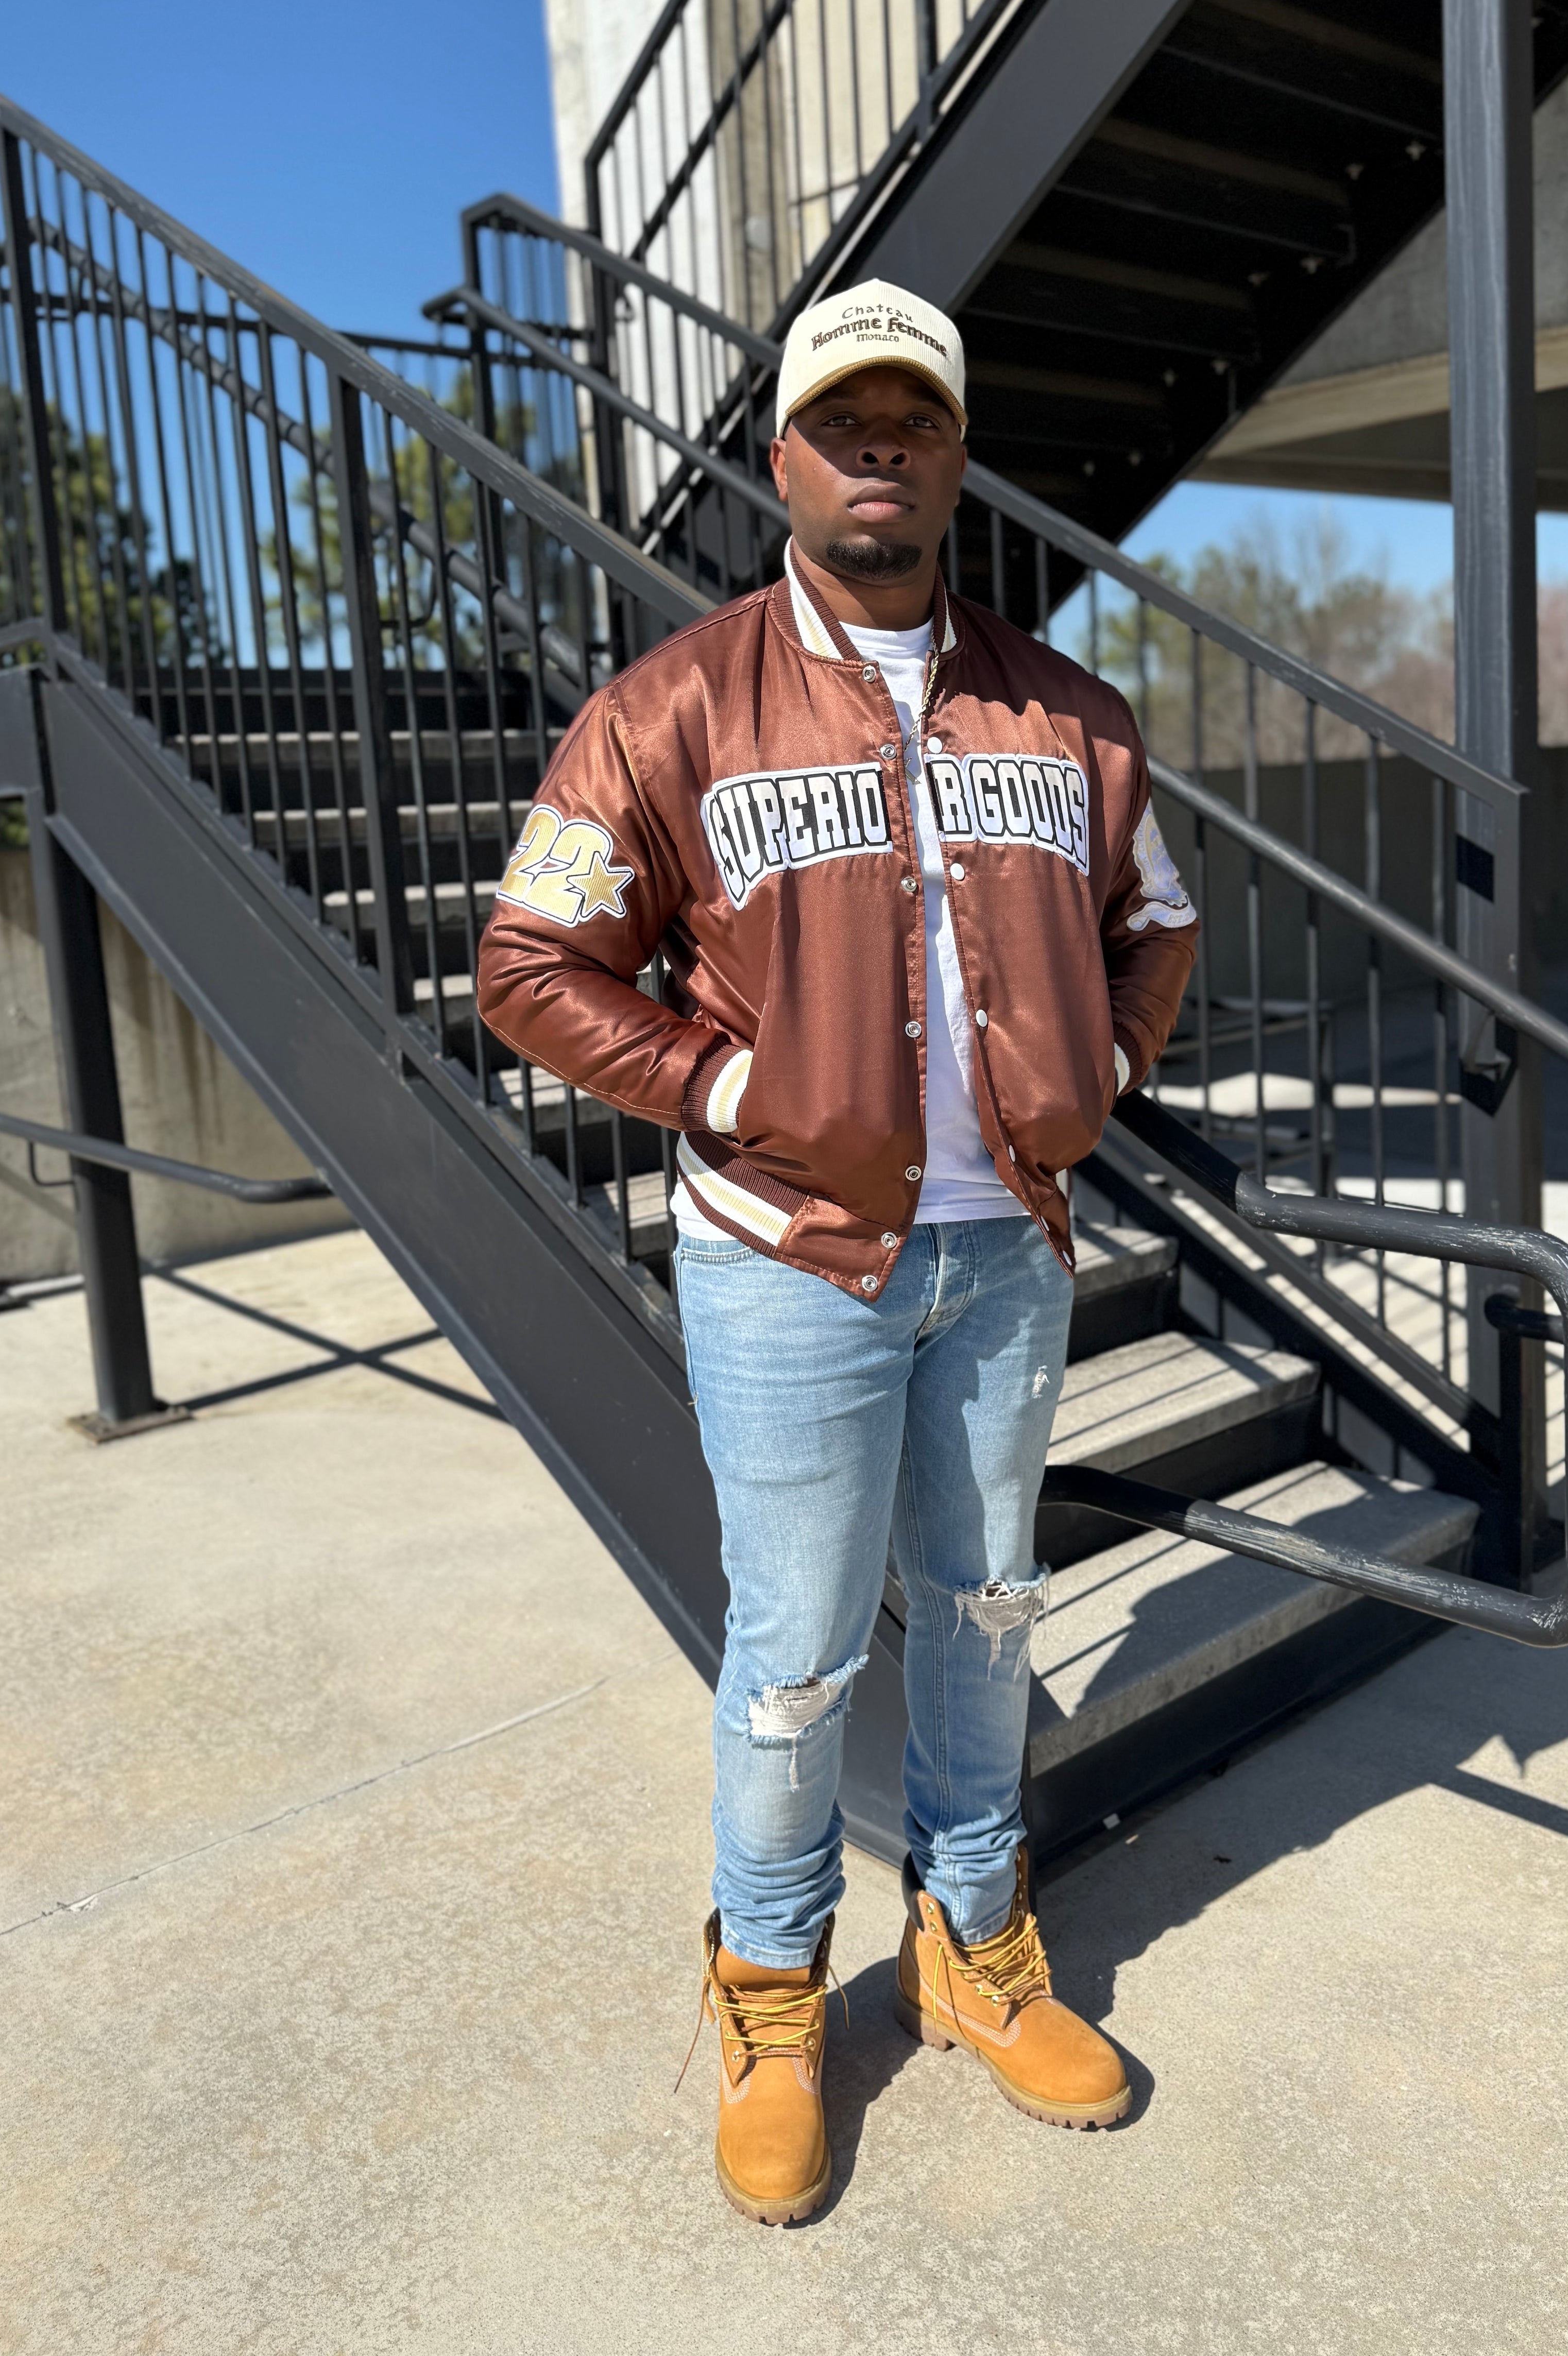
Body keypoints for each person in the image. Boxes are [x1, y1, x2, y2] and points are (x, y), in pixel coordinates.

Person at [476, 279, 1200, 2223]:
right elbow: (531, 966)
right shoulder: (671, 707)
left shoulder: (1073, 713)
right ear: (782, 457)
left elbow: (1163, 919)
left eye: (916, 421)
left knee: (984, 1616)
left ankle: (969, 1948)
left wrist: (1108, 1066)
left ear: (955, 455)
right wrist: (720, 1097)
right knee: (794, 1657)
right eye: (843, 422)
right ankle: (774, 1992)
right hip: (788, 1258)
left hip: (1009, 1255)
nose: (880, 450)